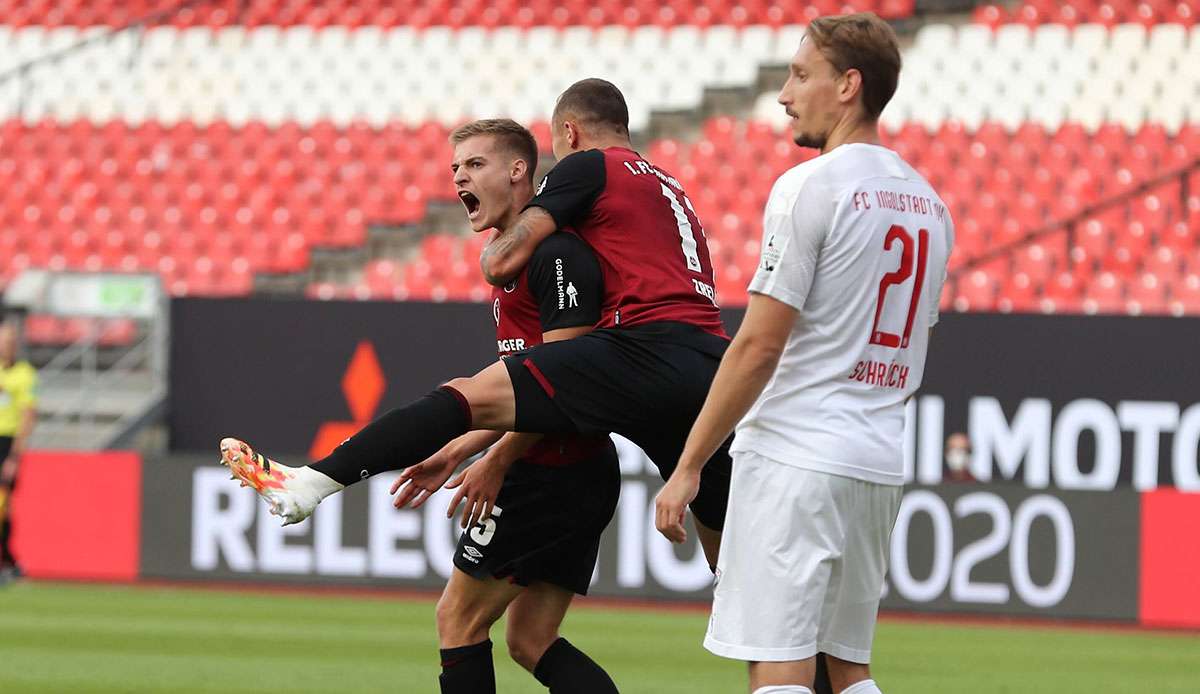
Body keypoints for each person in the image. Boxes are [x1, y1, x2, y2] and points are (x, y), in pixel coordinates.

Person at [220, 78, 732, 569]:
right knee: (733, 574)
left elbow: (503, 263)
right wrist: (462, 451)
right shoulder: (668, 185)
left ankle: (310, 484)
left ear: (569, 134)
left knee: (463, 395)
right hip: (710, 368)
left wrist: (494, 455)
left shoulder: (588, 167)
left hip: (644, 347)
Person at [654, 13, 953, 694]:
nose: (785, 93)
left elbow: (759, 345)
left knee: (779, 665)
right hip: (875, 460)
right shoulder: (930, 206)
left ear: (848, 85)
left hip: (796, 457)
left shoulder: (810, 187)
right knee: (847, 670)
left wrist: (691, 463)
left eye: (799, 74)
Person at [0, 320, 38, 582]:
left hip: (6, 443)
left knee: (4, 505)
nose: (6, 344)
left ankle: (5, 559)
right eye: (3, 339)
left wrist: (14, 455)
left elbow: (28, 415)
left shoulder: (25, 374)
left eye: (11, 340)